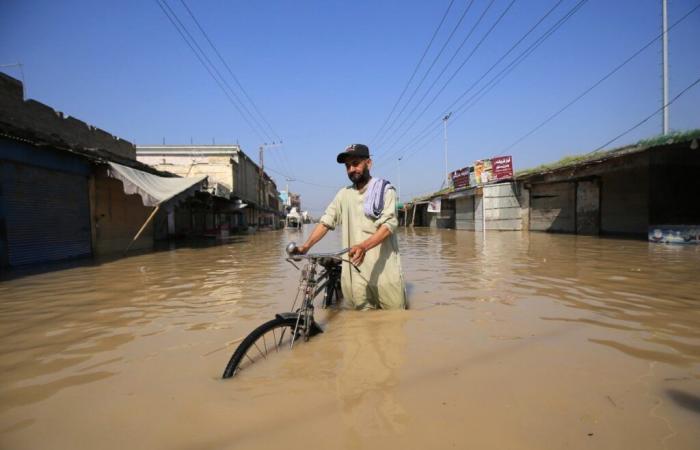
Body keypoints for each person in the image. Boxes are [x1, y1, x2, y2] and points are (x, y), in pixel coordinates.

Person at [294, 144, 407, 310]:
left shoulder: (385, 191)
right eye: (347, 166)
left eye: (355, 163)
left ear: (368, 163)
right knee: (359, 328)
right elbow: (326, 222)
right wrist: (305, 246)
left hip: (385, 275)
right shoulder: (343, 195)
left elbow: (389, 226)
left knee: (394, 324)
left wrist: (363, 246)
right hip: (356, 277)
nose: (351, 169)